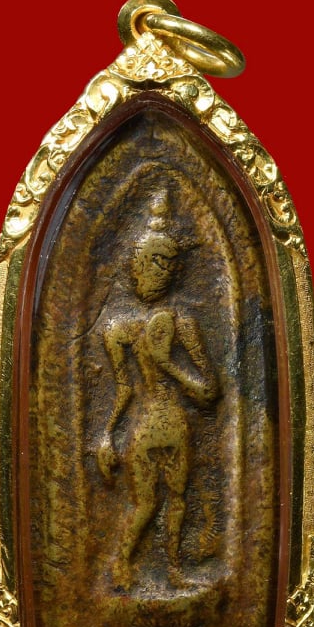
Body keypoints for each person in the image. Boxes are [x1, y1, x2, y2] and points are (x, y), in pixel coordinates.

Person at [97, 191, 219, 589]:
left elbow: (210, 392)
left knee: (178, 499)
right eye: (152, 261)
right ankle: (122, 562)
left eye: (168, 263)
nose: (160, 271)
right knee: (146, 504)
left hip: (177, 424)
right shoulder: (119, 329)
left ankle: (174, 570)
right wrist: (107, 435)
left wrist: (169, 365)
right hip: (144, 427)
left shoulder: (183, 324)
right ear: (135, 266)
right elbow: (124, 389)